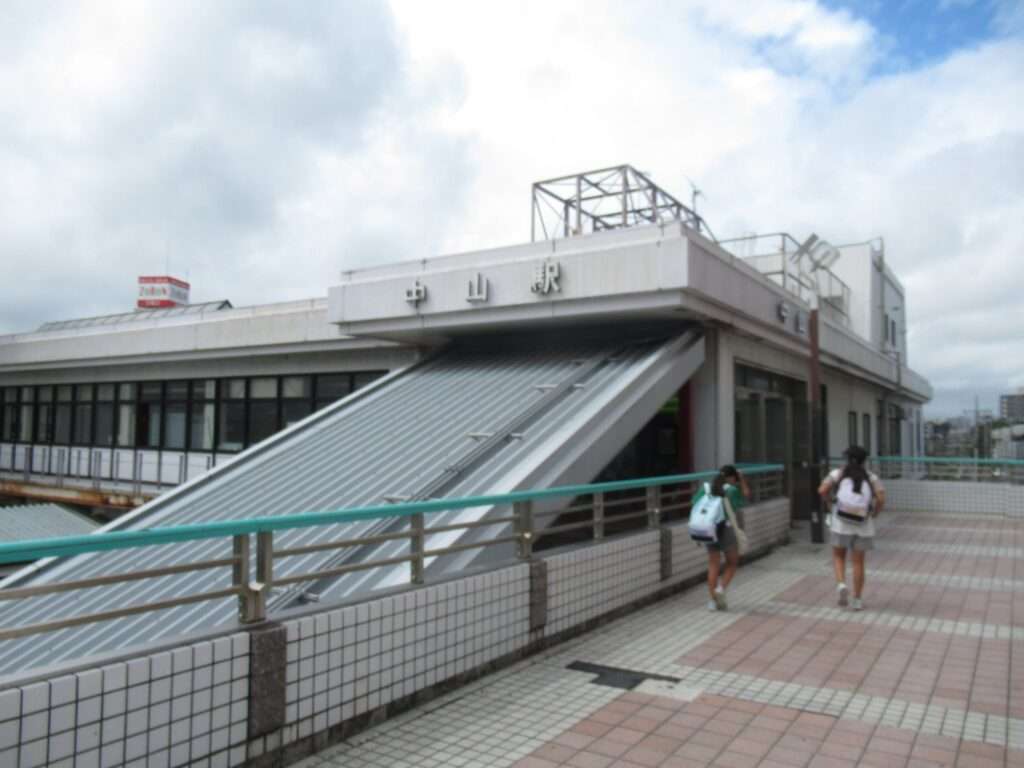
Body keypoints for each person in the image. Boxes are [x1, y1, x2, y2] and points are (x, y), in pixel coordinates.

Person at [818, 445, 885, 611]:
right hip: (863, 524)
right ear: (864, 460)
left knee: (838, 556)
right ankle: (857, 599)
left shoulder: (838, 473)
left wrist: (830, 502)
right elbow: (881, 498)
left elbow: (822, 490)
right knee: (858, 562)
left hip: (841, 523)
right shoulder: (871, 477)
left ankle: (841, 584)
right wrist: (875, 513)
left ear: (847, 459)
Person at [693, 465, 750, 611]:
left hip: (709, 529)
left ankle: (712, 602)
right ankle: (720, 589)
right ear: (732, 478)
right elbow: (746, 495)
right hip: (726, 529)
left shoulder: (706, 488)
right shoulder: (731, 491)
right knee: (732, 563)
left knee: (713, 564)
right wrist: (742, 480)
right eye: (735, 479)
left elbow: (694, 503)